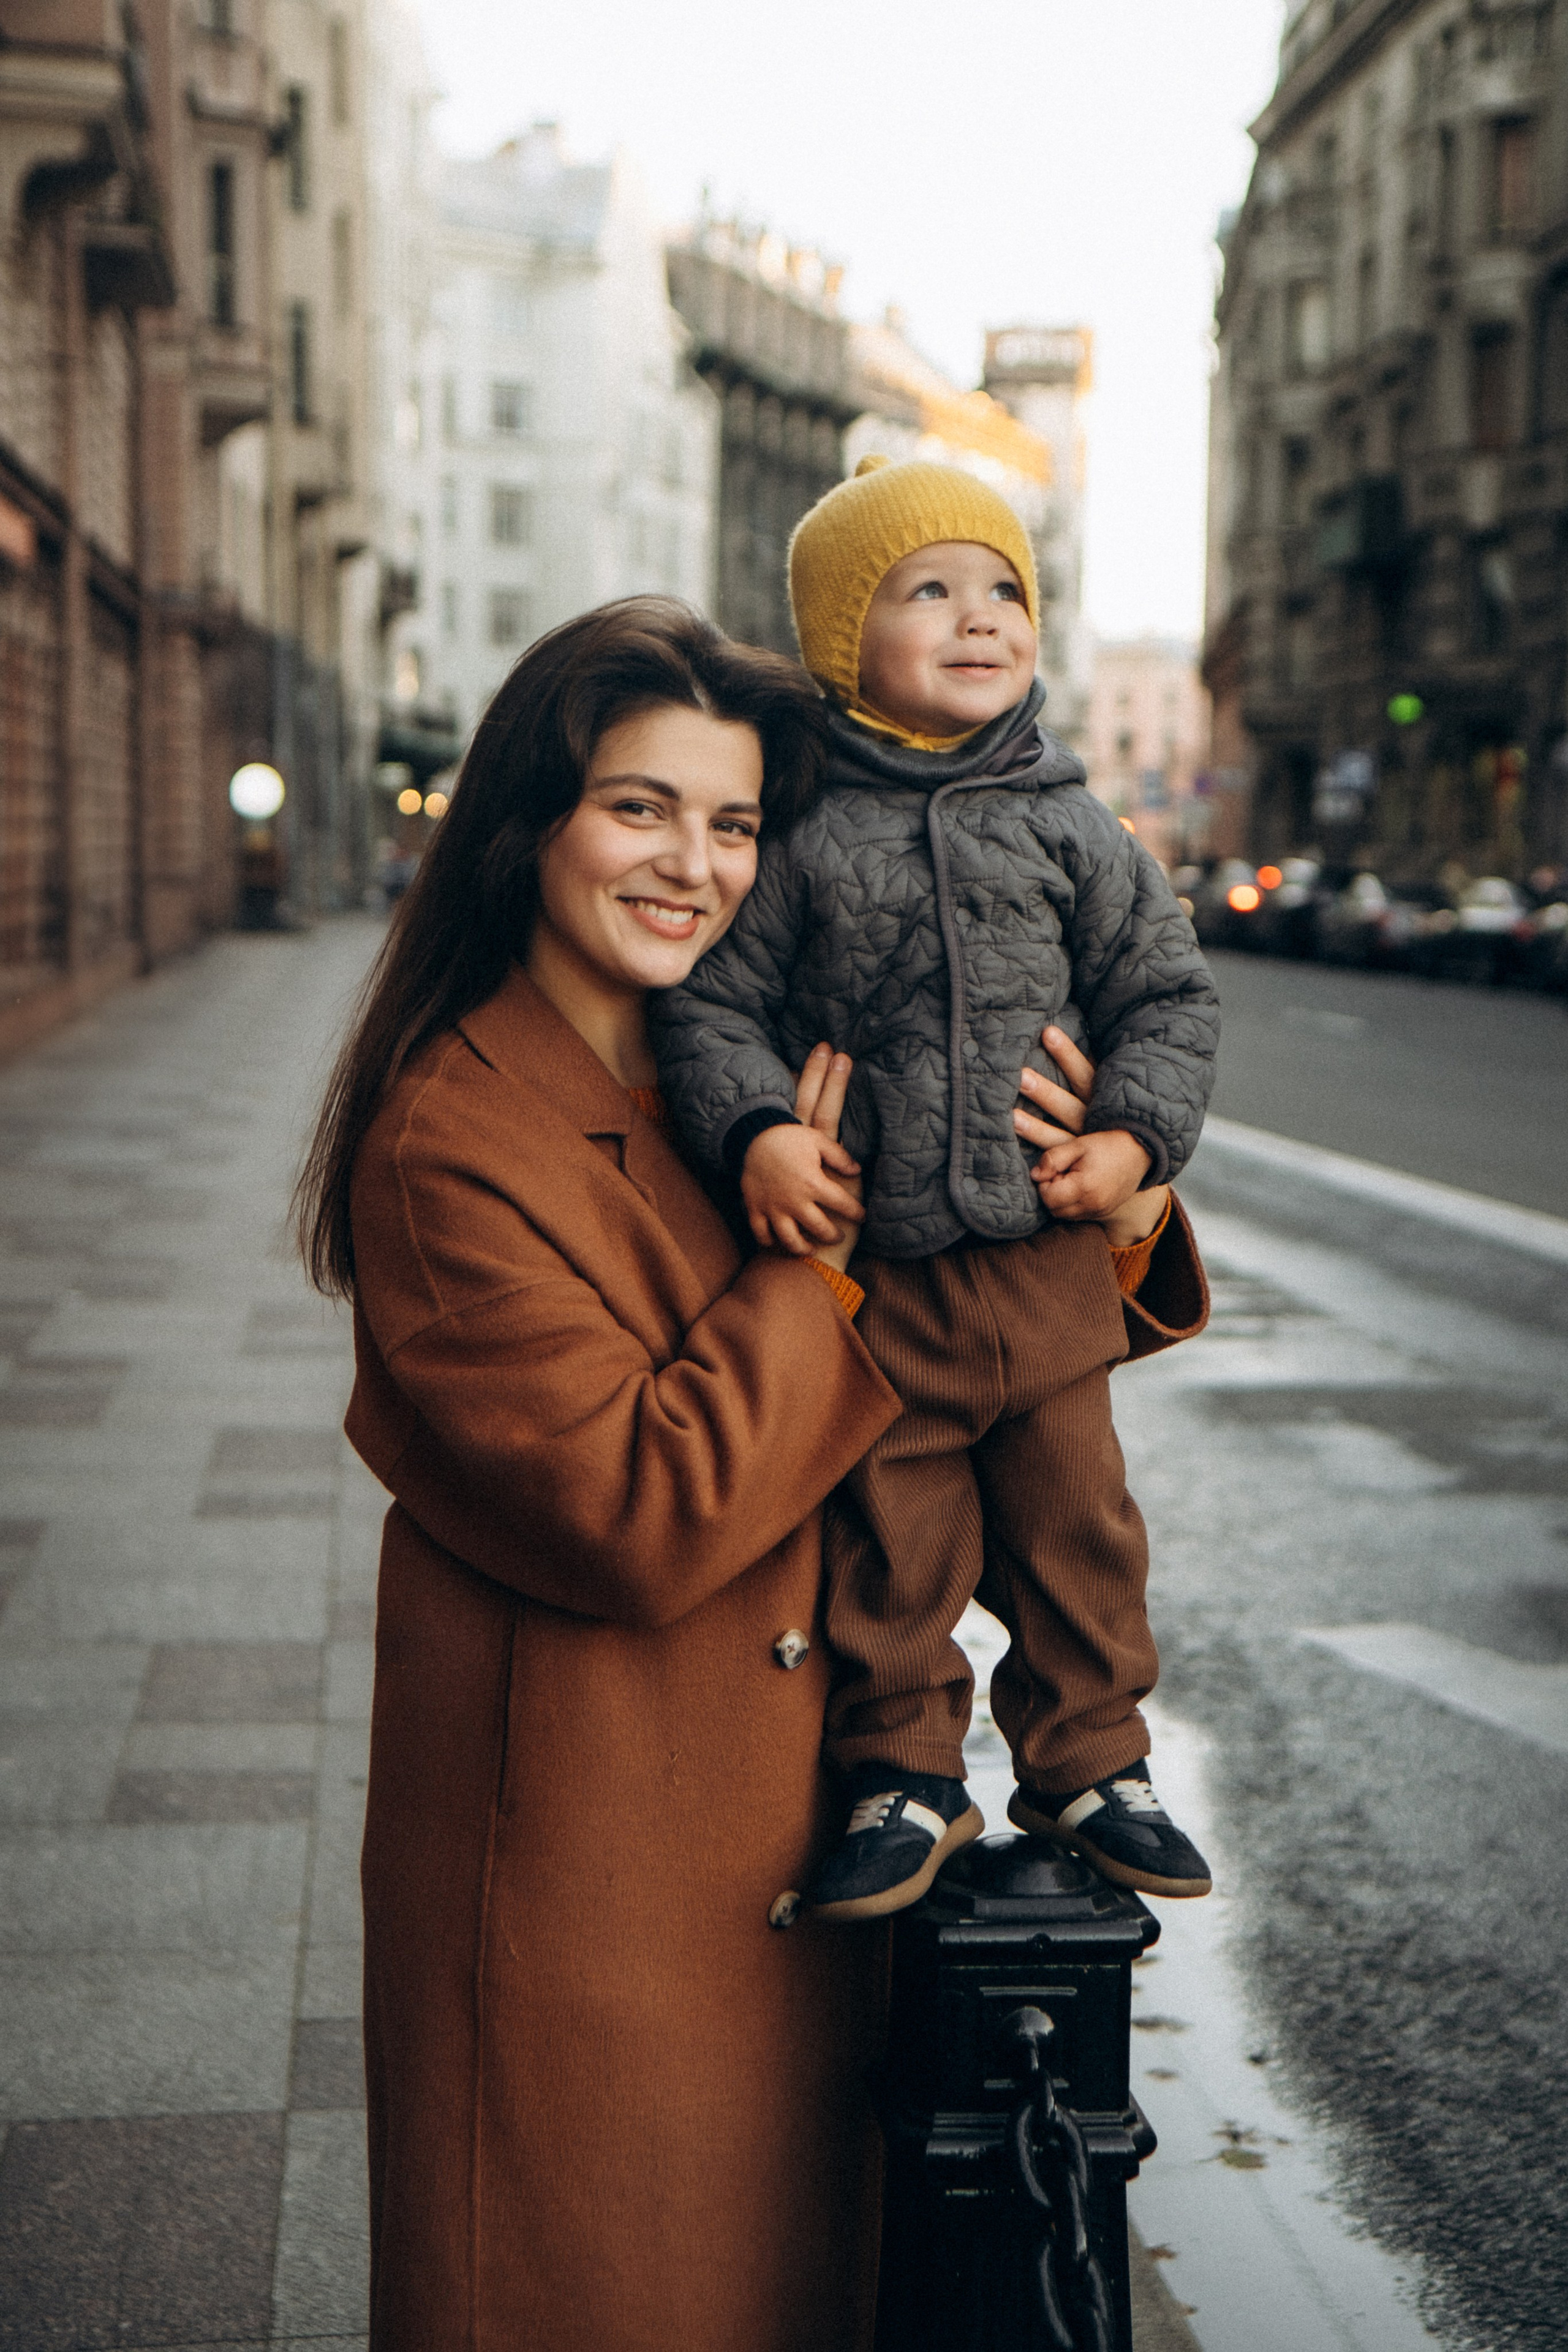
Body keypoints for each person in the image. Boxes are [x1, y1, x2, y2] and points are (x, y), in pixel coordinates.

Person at [293, 598, 908, 2352]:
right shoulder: (452, 1132)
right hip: (589, 1904)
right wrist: (820, 1269)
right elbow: (640, 1509)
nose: (694, 865)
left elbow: (977, 1342)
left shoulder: (746, 1078)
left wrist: (1109, 1187)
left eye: (732, 824)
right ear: (529, 822)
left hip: (782, 1865)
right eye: (641, 808)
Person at [651, 456, 1220, 1921]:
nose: (979, 618)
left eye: (1002, 590)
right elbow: (709, 1010)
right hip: (885, 1278)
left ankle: (1090, 1758)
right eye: (928, 591)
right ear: (848, 642)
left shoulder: (1073, 826)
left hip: (1040, 1266)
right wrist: (762, 1131)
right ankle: (903, 1772)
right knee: (888, 1542)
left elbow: (1165, 995)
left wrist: (1132, 1145)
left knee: (1079, 1525)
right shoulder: (802, 837)